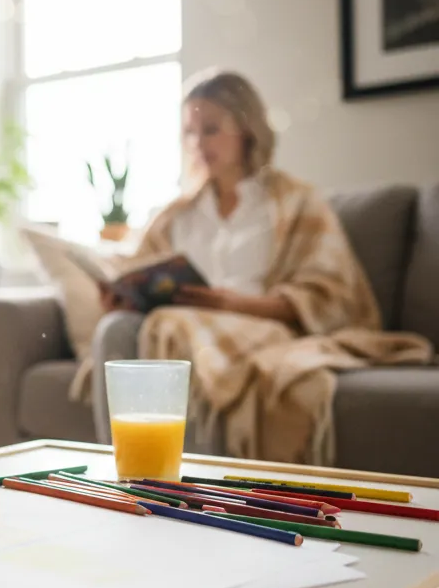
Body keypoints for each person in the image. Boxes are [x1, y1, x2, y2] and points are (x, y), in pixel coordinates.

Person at [89, 69, 431, 464]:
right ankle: (123, 470)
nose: (198, 143)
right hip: (178, 323)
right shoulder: (174, 216)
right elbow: (142, 275)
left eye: (211, 129)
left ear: (246, 129)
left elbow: (332, 295)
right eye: (190, 132)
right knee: (118, 327)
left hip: (260, 327)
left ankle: (191, 481)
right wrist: (122, 298)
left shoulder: (296, 203)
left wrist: (231, 304)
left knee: (173, 325)